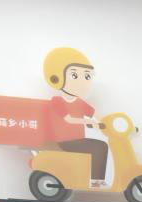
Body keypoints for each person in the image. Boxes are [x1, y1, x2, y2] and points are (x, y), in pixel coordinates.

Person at [42, 47, 108, 185]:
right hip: (63, 141)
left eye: (87, 76)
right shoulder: (57, 101)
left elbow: (95, 114)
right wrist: (89, 122)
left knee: (101, 146)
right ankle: (96, 181)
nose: (82, 82)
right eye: (74, 76)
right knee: (98, 147)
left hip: (78, 139)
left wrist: (109, 122)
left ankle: (96, 180)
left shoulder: (80, 102)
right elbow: (69, 119)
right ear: (57, 78)